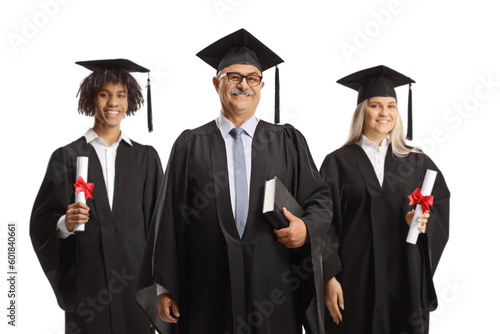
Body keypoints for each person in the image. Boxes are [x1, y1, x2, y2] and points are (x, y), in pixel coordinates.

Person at [134, 29, 335, 334]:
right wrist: (163, 286)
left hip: (274, 287)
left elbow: (319, 199)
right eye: (233, 77)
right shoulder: (191, 144)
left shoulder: (288, 141)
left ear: (262, 85)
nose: (243, 84)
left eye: (252, 78)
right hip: (208, 290)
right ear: (217, 83)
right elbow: (169, 221)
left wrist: (306, 228)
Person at [30, 59, 163, 334]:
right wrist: (65, 224)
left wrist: (156, 297)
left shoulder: (146, 158)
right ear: (92, 99)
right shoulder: (66, 157)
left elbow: (159, 230)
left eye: (121, 95)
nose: (113, 103)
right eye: (104, 94)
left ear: (131, 100)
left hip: (135, 290)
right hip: (88, 288)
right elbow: (41, 222)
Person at [321, 65, 450, 334]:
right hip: (354, 279)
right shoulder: (337, 162)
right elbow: (325, 223)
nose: (384, 113)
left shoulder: (416, 160)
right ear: (361, 111)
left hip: (404, 277)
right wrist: (329, 276)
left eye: (391, 106)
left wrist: (420, 222)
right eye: (376, 105)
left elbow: (438, 206)